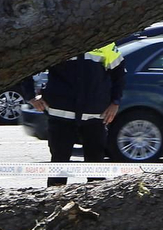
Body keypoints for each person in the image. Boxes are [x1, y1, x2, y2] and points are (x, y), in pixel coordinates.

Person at [32, 43, 126, 187]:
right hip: (61, 116)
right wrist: (31, 96)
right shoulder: (60, 39)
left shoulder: (104, 41)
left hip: (94, 116)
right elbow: (26, 67)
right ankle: (55, 204)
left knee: (96, 171)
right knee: (59, 168)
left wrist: (115, 102)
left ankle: (95, 206)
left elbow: (119, 73)